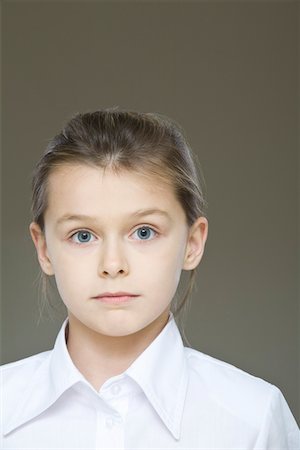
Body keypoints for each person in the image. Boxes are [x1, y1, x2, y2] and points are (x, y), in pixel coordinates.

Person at [1, 109, 299, 449]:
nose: (113, 265)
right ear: (43, 249)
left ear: (192, 242)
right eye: (83, 235)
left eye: (144, 232)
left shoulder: (253, 418)